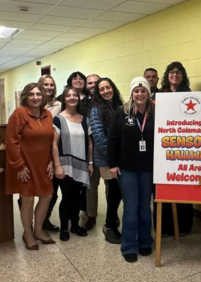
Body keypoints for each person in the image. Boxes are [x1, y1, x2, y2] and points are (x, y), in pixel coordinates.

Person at [109, 77, 155, 263]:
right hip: (126, 169)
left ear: (148, 93)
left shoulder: (156, 113)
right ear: (131, 93)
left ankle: (145, 241)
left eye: (143, 90)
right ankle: (129, 245)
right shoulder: (122, 112)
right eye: (136, 91)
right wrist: (112, 164)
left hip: (148, 168)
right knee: (130, 207)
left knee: (145, 207)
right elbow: (112, 139)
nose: (140, 94)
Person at [7, 82, 57, 250]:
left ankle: (38, 230)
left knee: (47, 195)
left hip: (43, 164)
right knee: (27, 199)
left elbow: (51, 141)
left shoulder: (47, 114)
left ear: (43, 96)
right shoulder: (19, 114)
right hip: (25, 165)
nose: (35, 97)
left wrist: (51, 160)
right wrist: (19, 166)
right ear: (25, 97)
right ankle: (28, 234)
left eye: (38, 94)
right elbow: (11, 141)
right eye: (31, 94)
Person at [159, 61, 194, 235]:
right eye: (171, 72)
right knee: (164, 186)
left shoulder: (189, 94)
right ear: (167, 75)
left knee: (182, 187)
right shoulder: (158, 94)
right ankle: (164, 226)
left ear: (183, 75)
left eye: (178, 72)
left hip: (182, 145)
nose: (174, 75)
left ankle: (183, 225)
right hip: (162, 145)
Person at [53, 87, 92, 240]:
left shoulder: (85, 120)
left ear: (78, 98)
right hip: (65, 165)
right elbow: (54, 144)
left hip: (81, 164)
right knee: (67, 197)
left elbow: (89, 143)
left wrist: (90, 163)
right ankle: (64, 228)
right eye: (68, 95)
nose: (71, 98)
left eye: (74, 95)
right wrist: (57, 165)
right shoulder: (58, 119)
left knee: (77, 197)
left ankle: (75, 226)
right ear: (64, 99)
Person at [89, 77, 124, 244]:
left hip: (122, 158)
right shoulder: (96, 110)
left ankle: (114, 220)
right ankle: (109, 226)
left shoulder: (121, 106)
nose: (105, 91)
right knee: (114, 192)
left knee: (119, 192)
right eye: (101, 89)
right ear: (98, 93)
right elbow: (99, 138)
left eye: (108, 87)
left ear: (113, 88)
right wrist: (114, 159)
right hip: (107, 160)